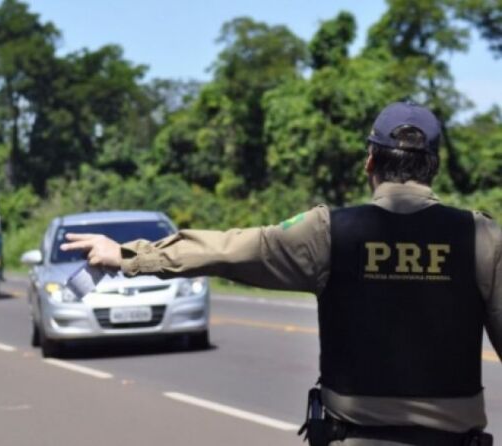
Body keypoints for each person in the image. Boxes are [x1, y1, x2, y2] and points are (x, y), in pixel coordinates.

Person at [61, 102, 501, 446]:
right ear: (434, 166)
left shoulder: (330, 232)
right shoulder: (482, 237)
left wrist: (130, 255)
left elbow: (232, 248)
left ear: (370, 162)